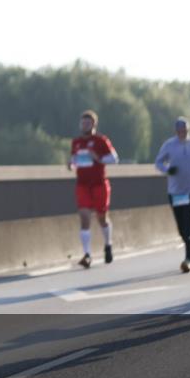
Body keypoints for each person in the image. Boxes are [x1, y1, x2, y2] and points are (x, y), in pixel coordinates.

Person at [154, 117, 190, 272]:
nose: (182, 133)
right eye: (179, 130)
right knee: (181, 226)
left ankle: (189, 256)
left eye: (185, 130)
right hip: (175, 191)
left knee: (189, 219)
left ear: (188, 130)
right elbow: (158, 162)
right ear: (175, 131)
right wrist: (167, 170)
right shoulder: (169, 145)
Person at [68, 110, 119, 268]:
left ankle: (108, 245)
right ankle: (87, 254)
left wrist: (97, 157)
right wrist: (71, 164)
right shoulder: (76, 142)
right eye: (83, 123)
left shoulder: (100, 140)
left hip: (99, 184)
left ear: (94, 124)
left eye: (88, 123)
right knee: (84, 218)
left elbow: (114, 159)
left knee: (102, 217)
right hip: (82, 184)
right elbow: (73, 160)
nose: (85, 125)